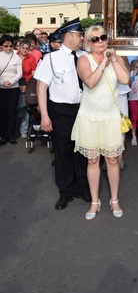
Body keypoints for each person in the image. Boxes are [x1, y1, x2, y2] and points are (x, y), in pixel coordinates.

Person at [71, 26, 130, 220]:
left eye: (103, 37)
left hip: (110, 117)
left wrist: (112, 59)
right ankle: (95, 201)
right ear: (88, 43)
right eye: (94, 39)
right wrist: (104, 62)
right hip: (90, 117)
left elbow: (125, 80)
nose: (100, 41)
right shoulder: (83, 60)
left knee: (112, 160)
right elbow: (90, 82)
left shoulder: (116, 58)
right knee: (93, 160)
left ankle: (114, 200)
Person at [35, 18, 90, 210]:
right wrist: (44, 115)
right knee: (63, 151)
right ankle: (66, 191)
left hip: (83, 110)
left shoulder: (84, 56)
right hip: (61, 111)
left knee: (82, 150)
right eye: (79, 34)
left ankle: (82, 187)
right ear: (68, 36)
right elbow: (42, 87)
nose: (82, 37)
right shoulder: (51, 58)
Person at [0, 35, 22, 145]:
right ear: (1, 46)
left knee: (12, 112)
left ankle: (11, 135)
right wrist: (2, 82)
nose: (8, 48)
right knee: (2, 112)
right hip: (1, 87)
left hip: (13, 87)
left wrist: (11, 82)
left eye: (10, 46)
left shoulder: (16, 56)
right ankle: (3, 136)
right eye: (5, 46)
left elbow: (19, 73)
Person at [17, 38, 37, 138]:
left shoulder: (32, 58)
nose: (24, 50)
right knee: (15, 108)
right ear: (19, 47)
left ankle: (23, 129)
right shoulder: (13, 56)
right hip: (13, 84)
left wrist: (29, 86)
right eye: (23, 48)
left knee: (25, 108)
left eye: (27, 48)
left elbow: (33, 74)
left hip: (27, 85)